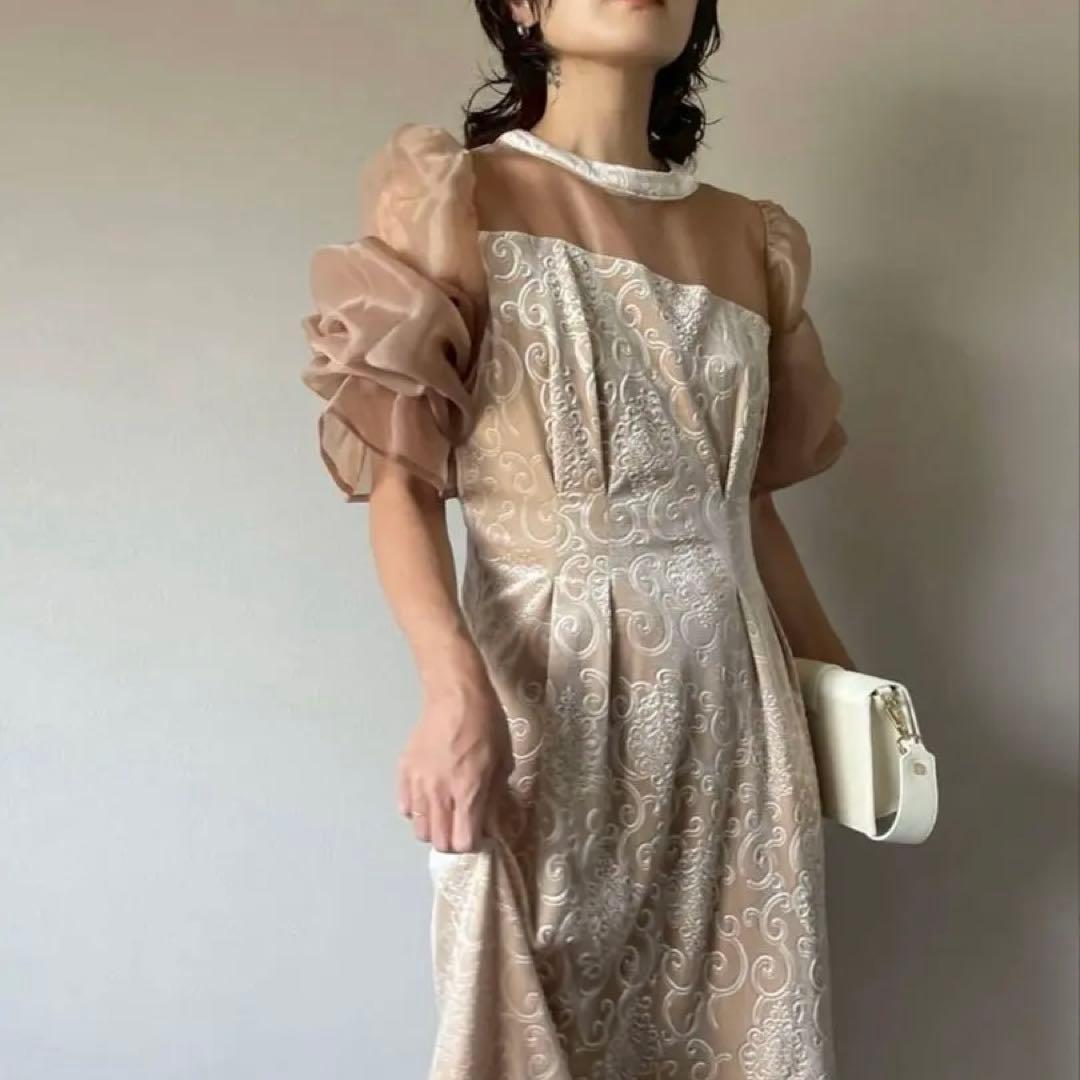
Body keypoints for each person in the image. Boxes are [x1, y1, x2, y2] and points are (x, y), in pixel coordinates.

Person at [300, 1, 854, 1075]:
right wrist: (449, 690)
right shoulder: (454, 200)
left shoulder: (755, 239)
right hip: (550, 714)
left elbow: (749, 509)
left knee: (738, 1039)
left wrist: (848, 698)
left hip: (739, 723)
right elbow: (403, 482)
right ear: (519, 4)